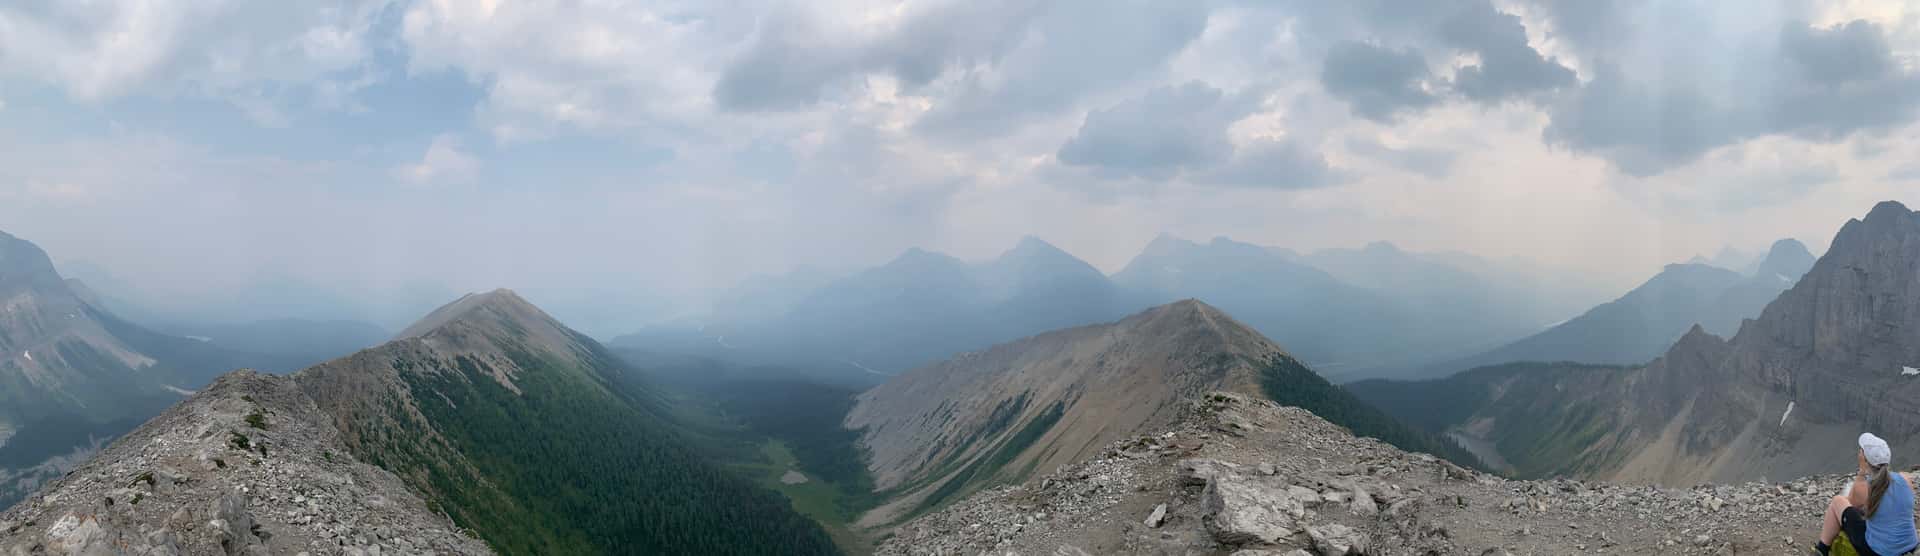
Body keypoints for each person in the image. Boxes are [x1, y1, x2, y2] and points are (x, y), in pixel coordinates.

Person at [1816, 433, 1919, 555]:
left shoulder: (1864, 488)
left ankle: (1822, 549)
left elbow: (1851, 506)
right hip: (1909, 546)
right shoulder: (1905, 479)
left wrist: (1862, 472)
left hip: (1879, 552)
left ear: (1864, 459)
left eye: (1862, 450)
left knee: (1838, 501)